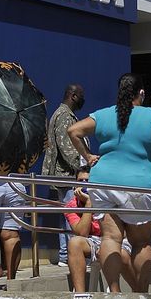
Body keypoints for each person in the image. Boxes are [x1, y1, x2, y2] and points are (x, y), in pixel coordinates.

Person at [68, 73, 151, 293]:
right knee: (141, 243)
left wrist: (88, 157)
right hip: (137, 186)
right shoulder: (150, 116)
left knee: (111, 239)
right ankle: (141, 294)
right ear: (141, 93)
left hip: (103, 184)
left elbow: (73, 131)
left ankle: (114, 292)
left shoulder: (103, 115)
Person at [65, 166, 136, 292]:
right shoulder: (71, 205)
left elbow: (123, 230)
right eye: (80, 181)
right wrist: (88, 204)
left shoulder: (108, 199)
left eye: (88, 181)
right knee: (74, 243)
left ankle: (137, 291)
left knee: (121, 255)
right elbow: (82, 233)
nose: (84, 184)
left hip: (118, 239)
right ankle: (80, 297)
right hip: (93, 240)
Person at [42, 84, 87, 267]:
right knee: (73, 216)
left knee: (67, 216)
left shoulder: (64, 114)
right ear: (74, 96)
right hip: (67, 175)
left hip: (65, 174)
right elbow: (67, 148)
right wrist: (84, 166)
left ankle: (65, 254)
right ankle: (69, 256)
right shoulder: (64, 116)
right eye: (82, 95)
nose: (84, 99)